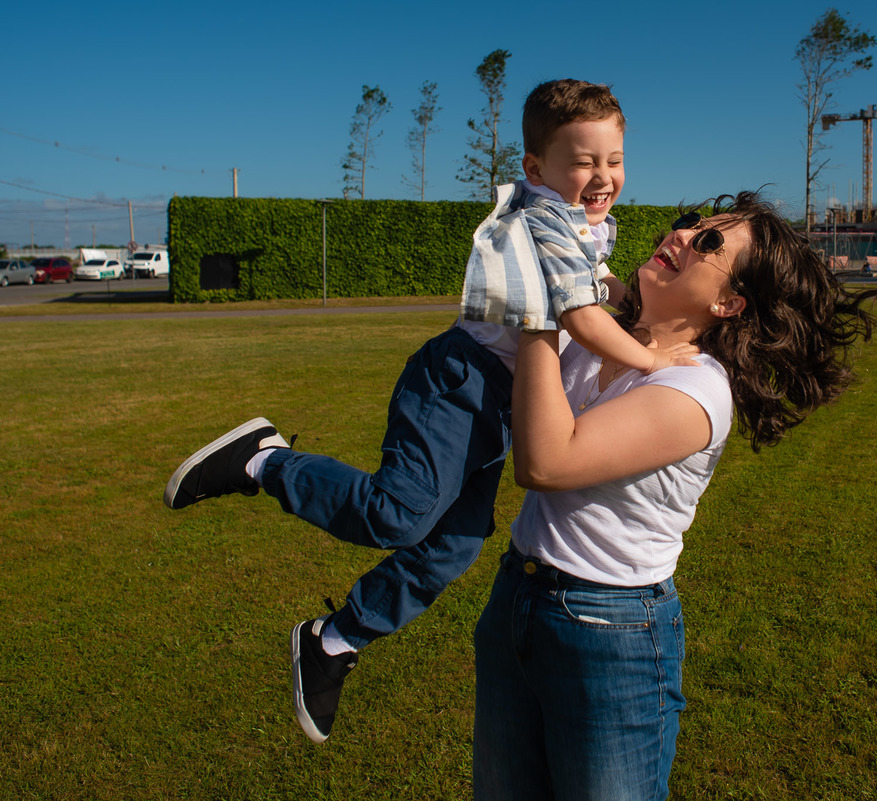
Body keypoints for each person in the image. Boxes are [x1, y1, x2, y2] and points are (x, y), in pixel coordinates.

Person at [162, 78, 693, 745]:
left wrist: (624, 294)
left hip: (502, 402)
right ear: (535, 169)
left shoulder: (585, 223)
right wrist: (651, 357)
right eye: (583, 161)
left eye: (613, 160)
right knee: (397, 512)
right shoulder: (544, 217)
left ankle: (334, 638)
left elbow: (597, 283)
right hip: (460, 381)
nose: (603, 176)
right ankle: (262, 461)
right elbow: (580, 317)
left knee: (453, 546)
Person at [472, 191, 877, 800]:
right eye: (692, 222)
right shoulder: (603, 335)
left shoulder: (697, 389)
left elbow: (547, 462)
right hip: (517, 594)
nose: (685, 234)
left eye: (710, 242)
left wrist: (538, 309)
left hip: (608, 631)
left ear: (728, 303)